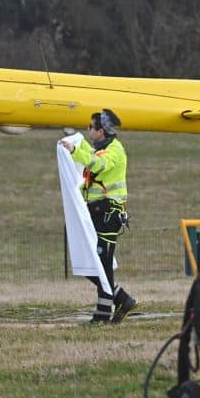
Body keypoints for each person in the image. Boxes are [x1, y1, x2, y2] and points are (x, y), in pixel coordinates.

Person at [59, 109, 140, 324]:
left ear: (101, 131)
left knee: (101, 261)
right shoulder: (101, 148)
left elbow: (97, 164)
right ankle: (120, 300)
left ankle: (106, 311)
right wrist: (74, 142)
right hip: (97, 211)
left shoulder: (115, 151)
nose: (88, 130)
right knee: (96, 261)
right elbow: (91, 155)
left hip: (108, 213)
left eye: (90, 127)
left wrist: (75, 149)